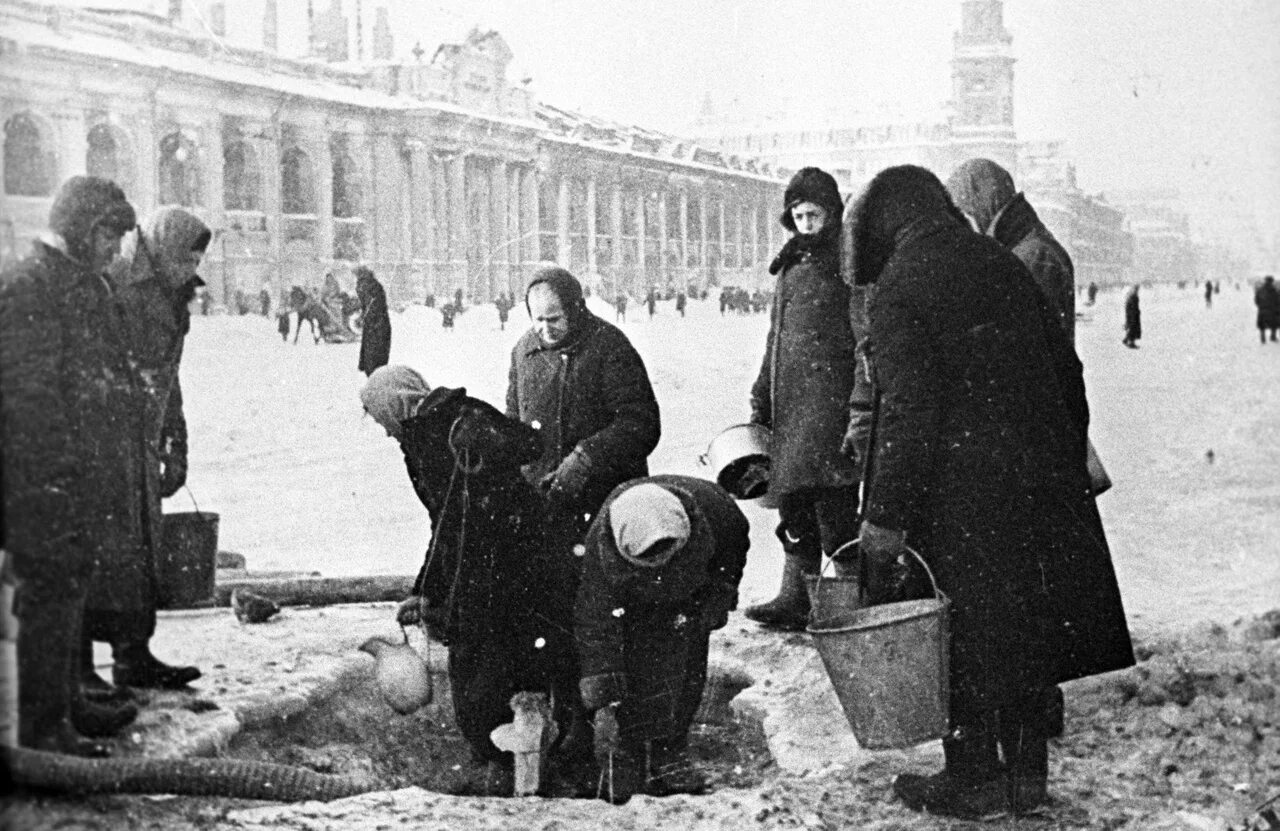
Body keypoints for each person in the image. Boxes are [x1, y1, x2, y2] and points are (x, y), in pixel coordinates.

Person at [846, 165, 1133, 818]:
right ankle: (1026, 777)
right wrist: (1055, 459)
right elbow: (1068, 372)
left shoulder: (900, 284)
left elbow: (909, 413)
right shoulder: (999, 262)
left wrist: (885, 517)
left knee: (961, 636)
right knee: (1026, 629)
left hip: (957, 498)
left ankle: (973, 777)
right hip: (1031, 485)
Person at [1, 175, 141, 755]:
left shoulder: (79, 282)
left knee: (71, 578)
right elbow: (27, 394)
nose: (117, 248)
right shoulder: (32, 285)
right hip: (39, 472)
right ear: (83, 229)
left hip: (74, 468)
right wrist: (51, 473)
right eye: (111, 235)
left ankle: (66, 701)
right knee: (47, 587)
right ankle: (43, 726)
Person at [84, 207, 209, 695]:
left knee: (141, 551)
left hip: (142, 443)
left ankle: (134, 655)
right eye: (185, 258)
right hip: (104, 441)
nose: (190, 268)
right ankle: (79, 667)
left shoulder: (174, 295)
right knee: (101, 550)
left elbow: (170, 377)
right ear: (160, 250)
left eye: (196, 260)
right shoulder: (115, 284)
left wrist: (176, 442)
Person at [576, 476, 749, 803]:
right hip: (633, 599)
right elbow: (596, 625)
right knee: (636, 660)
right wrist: (603, 703)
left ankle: (670, 748)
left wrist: (720, 593)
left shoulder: (720, 514)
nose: (659, 566)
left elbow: (732, 555)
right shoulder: (602, 547)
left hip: (691, 589)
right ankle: (626, 748)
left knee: (687, 661)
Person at [745, 167, 861, 631]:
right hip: (790, 407)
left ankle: (851, 607)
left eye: (815, 215)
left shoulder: (848, 262)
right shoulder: (790, 264)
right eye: (799, 216)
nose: (807, 224)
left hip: (831, 409)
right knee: (794, 505)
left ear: (832, 214)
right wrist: (762, 392)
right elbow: (775, 337)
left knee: (835, 509)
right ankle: (795, 596)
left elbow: (862, 336)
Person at [506, 266, 661, 569]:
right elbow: (513, 421)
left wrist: (586, 457)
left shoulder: (609, 346)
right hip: (544, 503)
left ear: (574, 309)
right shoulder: (523, 351)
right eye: (538, 320)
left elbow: (641, 423)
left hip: (603, 500)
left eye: (554, 319)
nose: (545, 329)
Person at [946, 158, 1076, 343]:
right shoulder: (1026, 248)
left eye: (967, 213)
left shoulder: (1032, 256)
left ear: (981, 206)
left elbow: (1023, 344)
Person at [355, 266, 391, 376]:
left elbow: (373, 305)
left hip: (377, 324)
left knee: (374, 355)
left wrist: (365, 316)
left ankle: (375, 375)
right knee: (374, 355)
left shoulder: (370, 286)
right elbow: (366, 305)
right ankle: (374, 374)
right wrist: (363, 316)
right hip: (375, 324)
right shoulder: (369, 285)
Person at [1255, 275, 1279, 344]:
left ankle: (1263, 339)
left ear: (1265, 281)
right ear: (1271, 282)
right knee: (1274, 324)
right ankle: (1273, 337)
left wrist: (1261, 306)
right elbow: (1278, 301)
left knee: (1262, 325)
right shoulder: (1274, 291)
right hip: (1272, 310)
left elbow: (1256, 301)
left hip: (1262, 310)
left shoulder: (1260, 290)